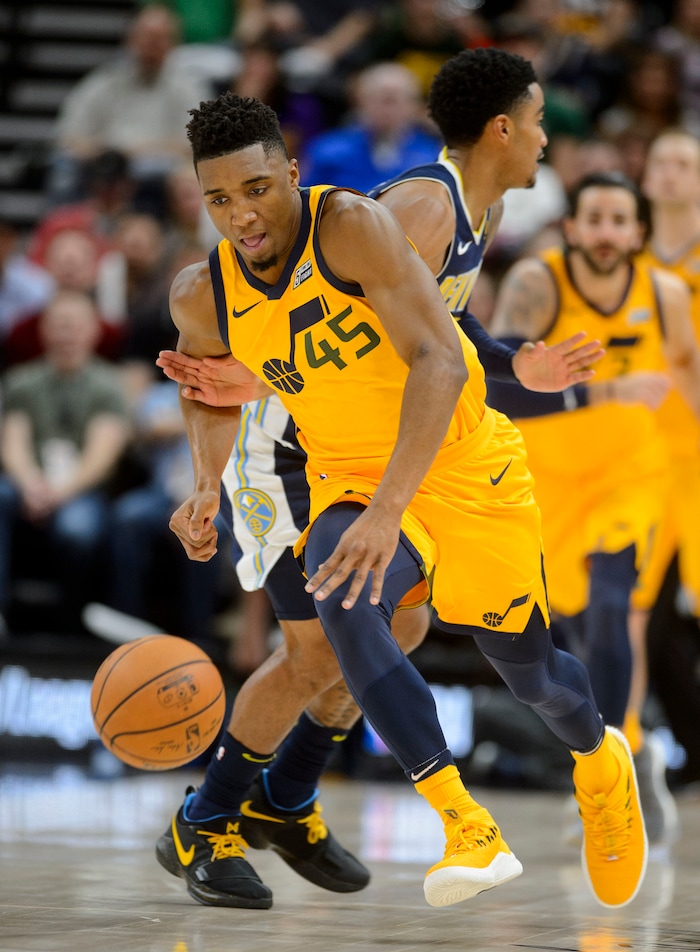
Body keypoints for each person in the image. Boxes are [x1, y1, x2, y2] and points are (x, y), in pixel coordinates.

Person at [154, 74, 647, 912]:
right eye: (218, 198)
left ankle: (598, 760)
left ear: (295, 173)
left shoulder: (366, 224)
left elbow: (437, 346)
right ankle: (451, 827)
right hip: (318, 460)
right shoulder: (206, 290)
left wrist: (504, 367)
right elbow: (200, 384)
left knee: (521, 671)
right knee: (337, 606)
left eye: (258, 189)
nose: (241, 215)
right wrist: (206, 486)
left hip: (457, 459)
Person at [487, 170, 700, 845]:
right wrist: (605, 393)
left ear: (639, 231)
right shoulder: (535, 285)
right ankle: (620, 757)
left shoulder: (664, 295)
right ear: (571, 227)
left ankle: (619, 768)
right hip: (547, 479)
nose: (607, 234)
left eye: (620, 221)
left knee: (616, 604)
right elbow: (496, 389)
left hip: (631, 475)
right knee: (577, 634)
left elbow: (690, 379)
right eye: (594, 220)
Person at [631, 128, 700, 791]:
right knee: (627, 614)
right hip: (637, 460)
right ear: (646, 176)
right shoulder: (624, 257)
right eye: (664, 162)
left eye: (686, 163)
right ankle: (620, 756)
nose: (674, 174)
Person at [0, 290, 130, 632]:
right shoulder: (21, 382)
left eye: (75, 326)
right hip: (27, 483)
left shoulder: (109, 385)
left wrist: (58, 493)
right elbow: (13, 443)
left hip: (82, 490)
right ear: (44, 330)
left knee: (77, 529)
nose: (67, 334)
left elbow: (101, 457)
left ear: (94, 331)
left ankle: (70, 629)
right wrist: (31, 485)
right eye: (59, 325)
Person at [49, 4, 209, 213]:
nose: (152, 44)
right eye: (147, 36)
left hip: (157, 169)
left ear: (174, 43)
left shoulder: (188, 87)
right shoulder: (104, 81)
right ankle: (63, 231)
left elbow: (195, 144)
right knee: (64, 167)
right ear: (130, 38)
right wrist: (104, 151)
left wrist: (134, 152)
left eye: (160, 37)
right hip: (104, 164)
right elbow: (67, 135)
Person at [300, 61, 440, 195]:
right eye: (380, 99)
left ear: (414, 105)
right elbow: (306, 202)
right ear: (359, 100)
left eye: (395, 100)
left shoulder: (432, 156)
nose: (388, 110)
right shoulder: (327, 150)